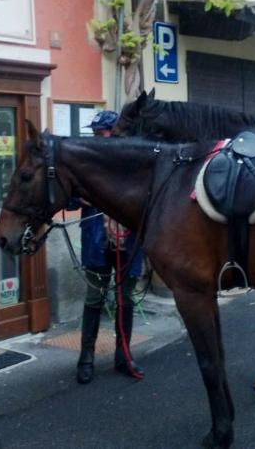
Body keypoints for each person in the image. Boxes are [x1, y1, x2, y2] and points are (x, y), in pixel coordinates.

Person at [73, 110, 146, 384]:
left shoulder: (133, 164)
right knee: (94, 299)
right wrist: (85, 197)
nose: (97, 137)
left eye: (101, 132)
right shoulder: (85, 164)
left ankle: (123, 356)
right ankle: (86, 358)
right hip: (96, 242)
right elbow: (69, 200)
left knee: (125, 300)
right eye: (95, 133)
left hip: (128, 244)